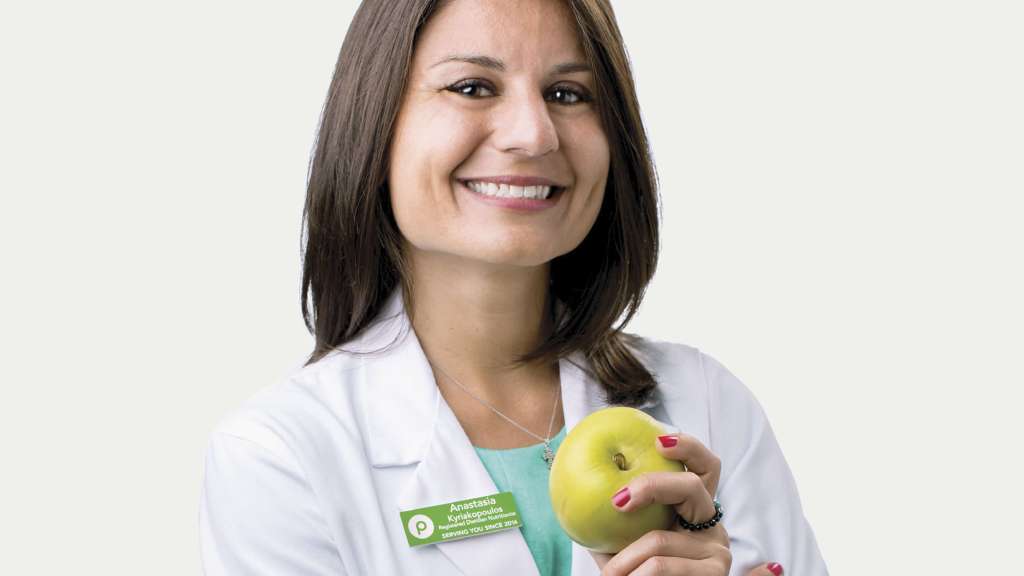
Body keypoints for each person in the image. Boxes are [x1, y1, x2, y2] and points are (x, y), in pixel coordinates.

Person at [199, 0, 829, 574]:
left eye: (568, 93)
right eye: (472, 87)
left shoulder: (706, 405)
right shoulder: (277, 457)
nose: (534, 133)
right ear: (375, 123)